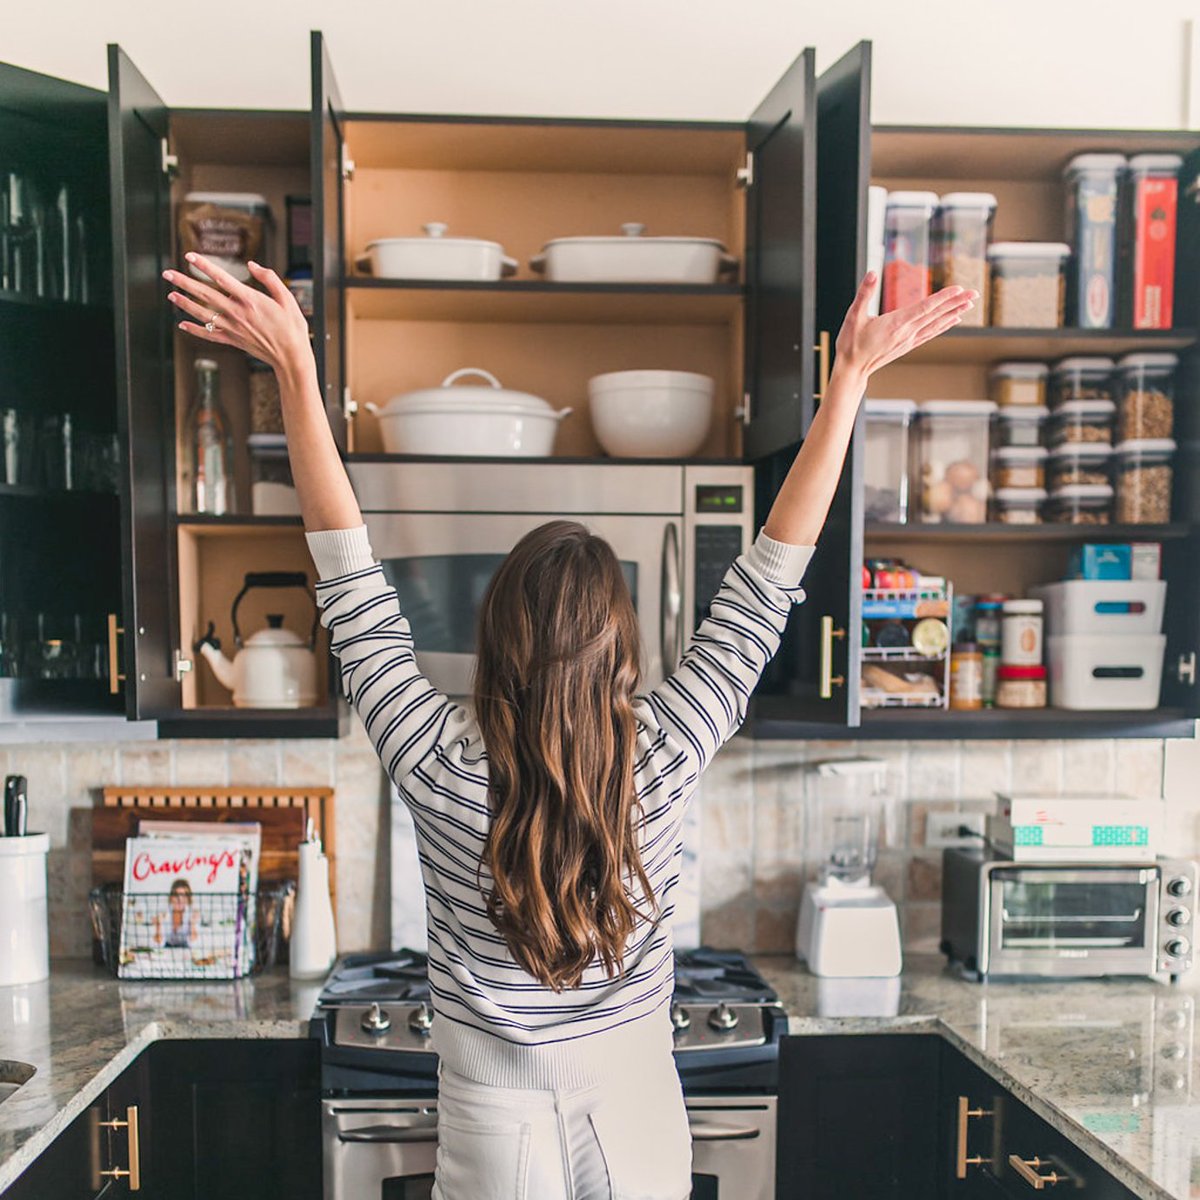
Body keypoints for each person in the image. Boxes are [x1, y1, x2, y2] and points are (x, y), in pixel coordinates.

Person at [164, 251, 975, 1200]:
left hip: (489, 1117)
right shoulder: (666, 750)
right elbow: (771, 575)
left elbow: (349, 581)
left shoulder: (434, 760)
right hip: (633, 1105)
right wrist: (849, 382)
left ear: (495, 640)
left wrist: (299, 373)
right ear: (623, 649)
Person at [154, 877, 198, 949]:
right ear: (171, 897)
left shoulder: (192, 914)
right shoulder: (164, 913)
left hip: (185, 950)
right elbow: (159, 944)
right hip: (167, 949)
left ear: (188, 898)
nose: (180, 899)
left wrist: (192, 924)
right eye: (176, 895)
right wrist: (158, 926)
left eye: (183, 895)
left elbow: (193, 944)